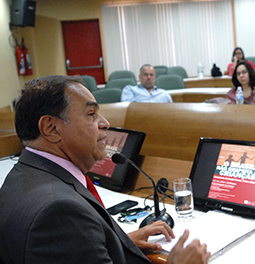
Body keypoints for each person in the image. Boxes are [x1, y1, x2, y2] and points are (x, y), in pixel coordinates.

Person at [0, 75, 210, 264]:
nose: (105, 123)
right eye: (91, 114)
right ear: (51, 128)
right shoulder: (59, 212)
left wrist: (117, 242)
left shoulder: (21, 176)